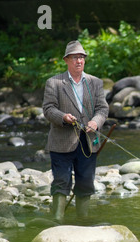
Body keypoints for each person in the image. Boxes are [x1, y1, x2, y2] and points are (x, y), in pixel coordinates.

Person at [42, 40, 109, 222]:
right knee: (61, 180)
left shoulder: (95, 82)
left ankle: (83, 220)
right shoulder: (54, 83)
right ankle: (58, 219)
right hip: (61, 141)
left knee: (86, 182)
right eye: (74, 57)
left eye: (81, 57)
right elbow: (48, 109)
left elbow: (103, 109)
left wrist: (95, 122)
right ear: (66, 60)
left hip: (87, 142)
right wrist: (63, 117)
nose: (79, 61)